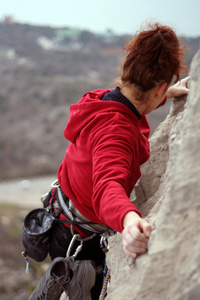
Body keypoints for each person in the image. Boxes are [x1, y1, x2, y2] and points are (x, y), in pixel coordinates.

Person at [29, 23, 190, 300]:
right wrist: (129, 221)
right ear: (158, 87)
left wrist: (166, 94)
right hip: (79, 240)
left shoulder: (100, 100)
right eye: (162, 91)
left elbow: (134, 99)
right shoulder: (117, 133)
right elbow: (107, 187)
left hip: (60, 218)